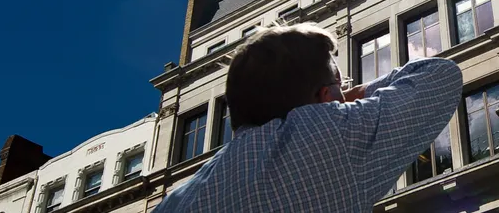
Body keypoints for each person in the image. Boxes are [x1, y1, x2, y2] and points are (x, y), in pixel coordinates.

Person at [152, 22, 463, 213]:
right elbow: (441, 75)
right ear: (324, 98)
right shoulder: (326, 134)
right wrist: (351, 97)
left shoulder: (177, 199)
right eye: (340, 85)